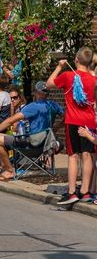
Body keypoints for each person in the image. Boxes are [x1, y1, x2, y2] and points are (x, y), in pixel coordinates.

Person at [46, 49, 97, 205]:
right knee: (87, 155)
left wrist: (59, 67)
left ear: (76, 59)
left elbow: (49, 84)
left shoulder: (68, 76)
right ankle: (86, 191)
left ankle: (72, 192)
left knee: (73, 156)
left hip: (73, 121)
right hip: (89, 121)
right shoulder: (94, 80)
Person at [0, 83, 58, 182]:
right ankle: (4, 168)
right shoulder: (53, 105)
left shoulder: (32, 107)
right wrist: (55, 128)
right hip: (46, 145)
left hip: (31, 146)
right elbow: (65, 117)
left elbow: (10, 121)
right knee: (1, 136)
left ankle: (9, 170)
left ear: (36, 93)